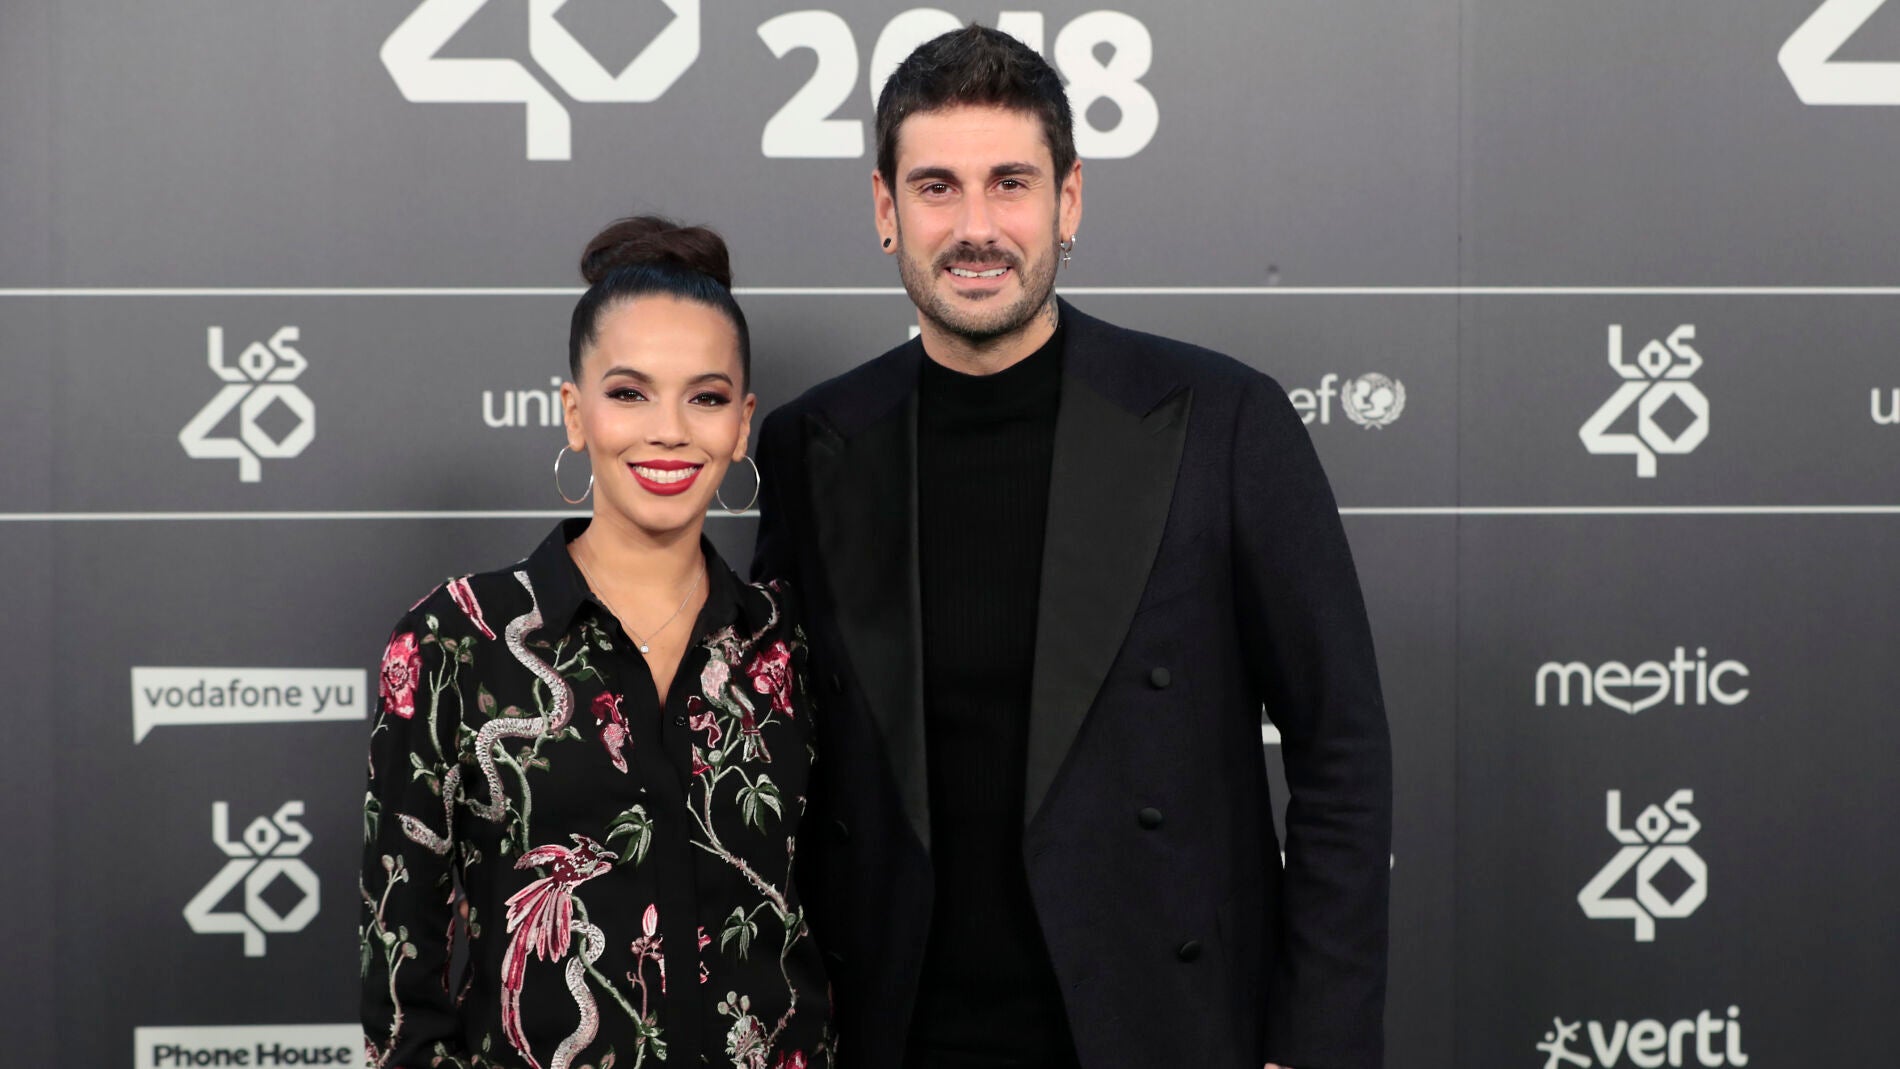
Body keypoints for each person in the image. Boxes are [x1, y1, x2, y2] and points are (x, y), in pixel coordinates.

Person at [750, 26, 1391, 1069]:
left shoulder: (1221, 421)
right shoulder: (812, 444)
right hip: (889, 1031)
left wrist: (1314, 1040)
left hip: (1161, 1028)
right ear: (885, 210)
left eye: (1009, 183)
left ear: (1069, 200)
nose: (974, 227)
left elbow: (1342, 748)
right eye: (936, 187)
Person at [361, 217, 832, 1069]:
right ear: (574, 413)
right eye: (629, 393)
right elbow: (403, 969)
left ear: (741, 424)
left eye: (707, 396)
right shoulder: (457, 640)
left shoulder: (787, 647)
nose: (668, 430)